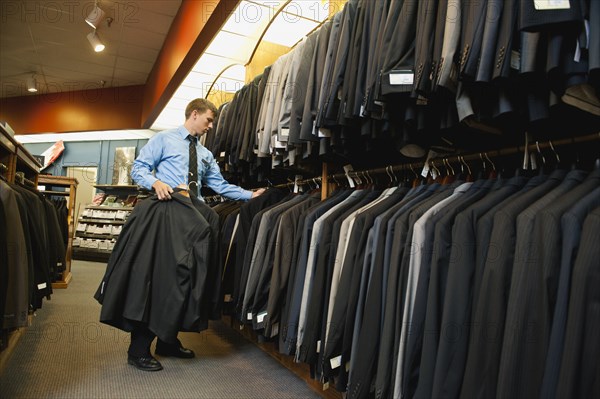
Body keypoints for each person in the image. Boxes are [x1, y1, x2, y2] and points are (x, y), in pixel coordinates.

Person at [121, 98, 264, 371]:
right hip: (166, 217)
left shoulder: (206, 155)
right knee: (161, 281)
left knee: (185, 282)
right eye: (209, 120)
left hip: (193, 221)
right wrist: (156, 182)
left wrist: (250, 195)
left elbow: (220, 186)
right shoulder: (164, 139)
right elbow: (138, 169)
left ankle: (167, 341)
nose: (211, 126)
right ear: (194, 114)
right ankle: (138, 349)